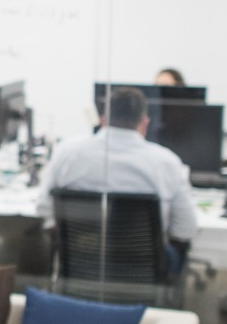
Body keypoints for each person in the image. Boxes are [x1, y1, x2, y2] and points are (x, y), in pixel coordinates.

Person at [36, 85, 197, 273]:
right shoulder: (167, 162)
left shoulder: (67, 153)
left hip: (83, 264)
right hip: (142, 270)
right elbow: (185, 230)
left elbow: (43, 208)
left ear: (103, 120)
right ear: (145, 123)